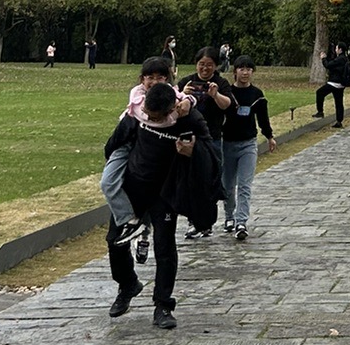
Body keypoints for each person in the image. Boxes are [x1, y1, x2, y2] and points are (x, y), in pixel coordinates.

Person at [101, 80, 211, 328]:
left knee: (165, 248)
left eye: (156, 117)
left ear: (172, 108)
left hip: (164, 194)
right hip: (132, 191)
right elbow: (115, 142)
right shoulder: (137, 112)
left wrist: (192, 152)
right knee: (115, 242)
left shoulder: (188, 118)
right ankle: (128, 283)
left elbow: (210, 151)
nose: (150, 118)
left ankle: (163, 305)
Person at [101, 55, 192, 244]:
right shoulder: (138, 94)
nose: (154, 81)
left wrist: (189, 101)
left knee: (150, 195)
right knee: (108, 183)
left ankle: (141, 232)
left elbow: (187, 98)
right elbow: (148, 116)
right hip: (126, 144)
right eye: (149, 77)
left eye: (160, 77)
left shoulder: (171, 94)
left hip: (152, 160)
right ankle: (130, 221)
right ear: (142, 79)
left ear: (167, 78)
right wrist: (173, 113)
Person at [178, 48, 232, 238]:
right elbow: (173, 105)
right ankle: (193, 221)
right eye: (202, 64)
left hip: (212, 138)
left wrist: (215, 95)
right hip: (188, 138)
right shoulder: (187, 81)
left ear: (216, 66)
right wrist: (182, 94)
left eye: (209, 65)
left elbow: (227, 105)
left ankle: (207, 222)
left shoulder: (221, 83)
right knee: (188, 180)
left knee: (210, 180)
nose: (205, 68)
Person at [220, 57, 277, 240]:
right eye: (241, 69)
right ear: (235, 71)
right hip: (227, 143)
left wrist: (269, 137)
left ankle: (241, 221)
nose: (245, 72)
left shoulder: (257, 94)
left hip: (248, 144)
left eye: (248, 69)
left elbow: (263, 119)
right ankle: (229, 216)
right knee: (228, 185)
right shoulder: (227, 92)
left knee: (244, 185)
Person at [315, 43, 350, 125]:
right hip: (341, 84)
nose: (335, 50)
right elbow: (333, 63)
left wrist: (323, 59)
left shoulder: (340, 59)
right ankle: (339, 121)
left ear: (340, 50)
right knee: (339, 103)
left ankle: (320, 111)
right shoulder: (345, 59)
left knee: (319, 93)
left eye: (336, 48)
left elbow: (328, 65)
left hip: (334, 83)